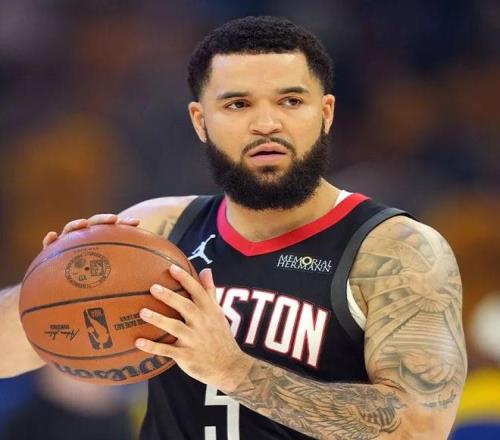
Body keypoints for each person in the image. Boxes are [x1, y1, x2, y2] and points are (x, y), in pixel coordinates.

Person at [0, 16, 466, 440]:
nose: (266, 123)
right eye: (238, 104)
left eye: (290, 101)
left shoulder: (394, 251)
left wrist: (234, 371)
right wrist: (52, 284)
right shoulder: (158, 229)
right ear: (200, 121)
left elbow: (419, 429)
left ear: (325, 113)